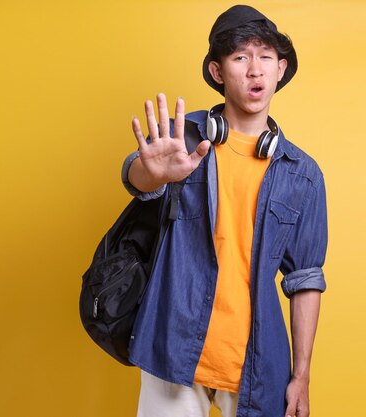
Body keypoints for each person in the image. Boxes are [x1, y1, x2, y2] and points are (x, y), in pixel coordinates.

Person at [121, 5, 328, 417]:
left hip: (257, 358)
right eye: (240, 57)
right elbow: (136, 177)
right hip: (173, 344)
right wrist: (153, 173)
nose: (255, 70)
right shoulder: (185, 138)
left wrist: (301, 375)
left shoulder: (302, 174)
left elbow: (305, 278)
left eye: (265, 57)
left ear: (280, 68)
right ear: (218, 72)